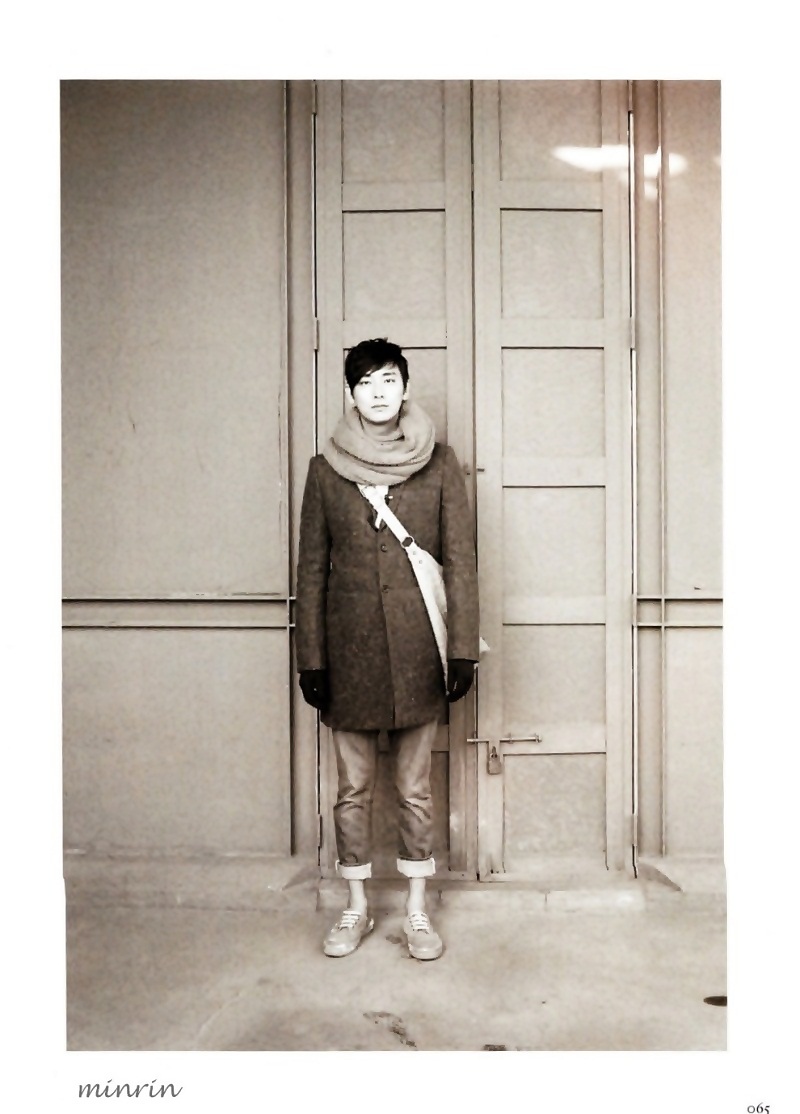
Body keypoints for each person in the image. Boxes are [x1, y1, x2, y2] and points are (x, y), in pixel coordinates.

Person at [296, 338, 479, 961]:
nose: (378, 392)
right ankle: (355, 906)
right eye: (365, 382)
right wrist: (312, 659)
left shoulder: (440, 463)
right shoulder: (324, 470)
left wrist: (462, 649)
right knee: (352, 789)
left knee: (414, 789)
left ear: (405, 388)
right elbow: (311, 571)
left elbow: (460, 562)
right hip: (348, 655)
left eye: (388, 380)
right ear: (351, 394)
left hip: (419, 649)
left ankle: (417, 911)